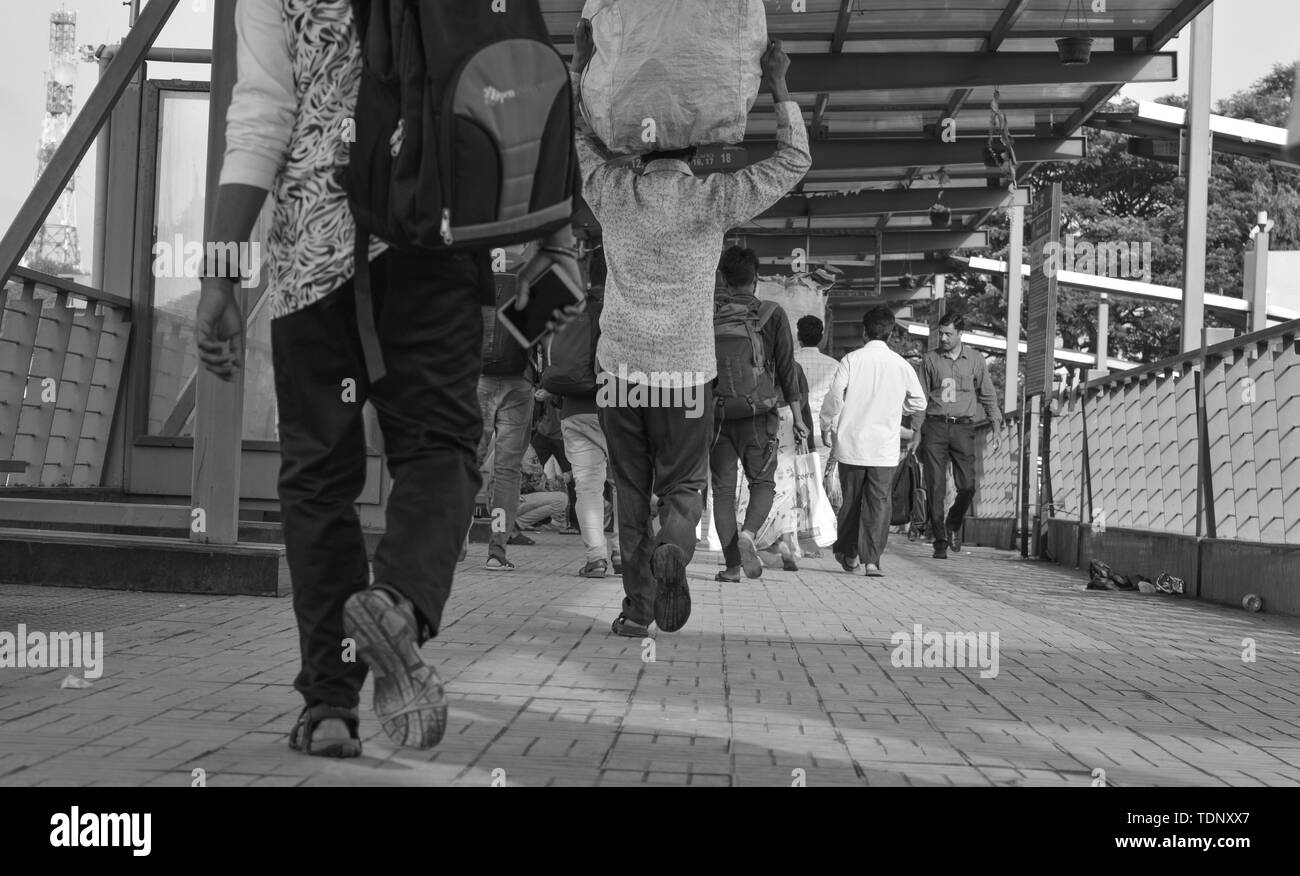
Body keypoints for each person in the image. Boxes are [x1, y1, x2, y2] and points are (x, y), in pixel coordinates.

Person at [194, 0, 579, 757]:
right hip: (427, 237)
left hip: (314, 253)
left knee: (318, 480)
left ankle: (330, 709)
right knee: (439, 449)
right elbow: (520, 71)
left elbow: (261, 114)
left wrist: (220, 273)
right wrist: (554, 235)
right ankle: (398, 602)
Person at [569, 24, 811, 637]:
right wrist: (780, 86)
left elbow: (576, 139)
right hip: (686, 376)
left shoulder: (613, 191)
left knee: (630, 489)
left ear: (640, 154)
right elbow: (794, 161)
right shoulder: (714, 200)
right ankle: (675, 542)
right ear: (690, 156)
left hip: (620, 373)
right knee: (683, 486)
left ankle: (635, 611)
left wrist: (581, 68)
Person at [709, 247, 805, 583]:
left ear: (723, 278)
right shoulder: (771, 313)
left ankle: (732, 566)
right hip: (759, 413)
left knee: (722, 491)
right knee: (762, 482)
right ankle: (749, 534)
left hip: (718, 415)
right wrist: (798, 414)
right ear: (755, 279)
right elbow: (786, 367)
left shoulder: (713, 315)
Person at [820, 306, 926, 577]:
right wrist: (905, 419)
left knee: (852, 501)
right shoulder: (901, 365)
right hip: (884, 449)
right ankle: (872, 561)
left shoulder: (851, 360)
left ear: (864, 332)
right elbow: (919, 403)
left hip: (851, 444)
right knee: (879, 503)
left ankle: (848, 553)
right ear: (890, 334)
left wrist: (826, 424)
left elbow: (834, 396)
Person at [555, 244, 622, 578]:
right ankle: (622, 550)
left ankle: (596, 558)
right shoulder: (618, 311)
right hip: (614, 406)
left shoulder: (569, 308)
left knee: (587, 487)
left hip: (571, 408)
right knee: (625, 482)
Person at [919, 312, 1002, 560]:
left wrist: (996, 425)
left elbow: (988, 395)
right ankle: (940, 541)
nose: (943, 338)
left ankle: (953, 522)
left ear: (960, 334)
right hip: (934, 426)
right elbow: (919, 399)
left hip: (963, 428)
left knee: (967, 486)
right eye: (940, 333)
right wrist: (916, 431)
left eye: (948, 334)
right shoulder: (929, 360)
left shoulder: (975, 360)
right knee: (936, 486)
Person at [529, 388, 578, 536]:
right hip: (544, 431)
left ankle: (576, 524)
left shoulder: (567, 370)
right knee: (530, 472)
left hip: (563, 434)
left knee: (574, 479)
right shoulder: (546, 368)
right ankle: (536, 519)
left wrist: (550, 394)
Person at [794, 315, 839, 467]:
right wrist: (826, 429)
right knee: (816, 485)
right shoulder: (834, 366)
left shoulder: (788, 362)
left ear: (798, 336)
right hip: (820, 434)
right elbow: (834, 402)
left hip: (792, 432)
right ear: (821, 337)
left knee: (789, 485)